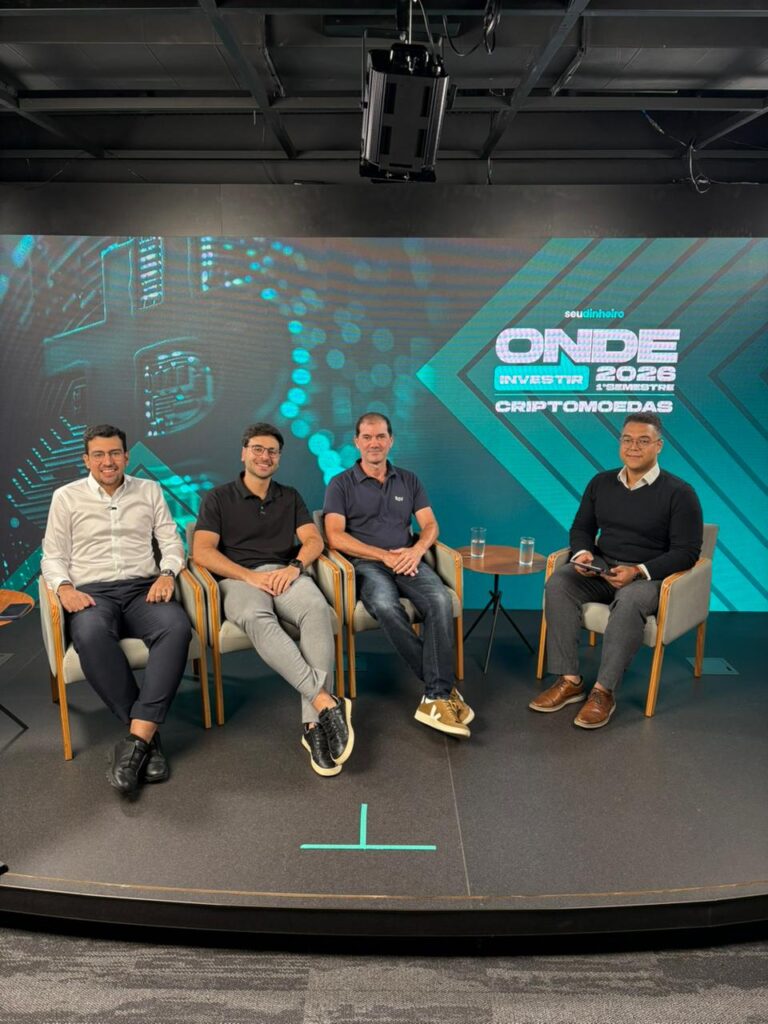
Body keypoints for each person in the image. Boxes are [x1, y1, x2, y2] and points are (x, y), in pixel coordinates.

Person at [192, 423, 353, 777]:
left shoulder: (289, 496)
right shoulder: (218, 498)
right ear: (244, 453)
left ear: (279, 458)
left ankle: (313, 725)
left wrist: (295, 568)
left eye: (272, 452)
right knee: (255, 616)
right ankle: (326, 702)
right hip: (239, 579)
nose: (265, 457)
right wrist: (249, 577)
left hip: (284, 573)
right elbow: (202, 551)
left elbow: (313, 541)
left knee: (316, 609)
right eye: (258, 449)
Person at [41, 424, 191, 793]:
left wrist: (167, 574)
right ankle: (147, 738)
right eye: (99, 454)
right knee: (90, 635)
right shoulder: (66, 497)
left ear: (126, 456)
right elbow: (53, 555)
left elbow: (171, 541)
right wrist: (63, 587)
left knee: (176, 627)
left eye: (114, 453)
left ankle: (136, 740)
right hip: (93, 594)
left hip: (143, 589)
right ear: (86, 460)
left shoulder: (149, 490)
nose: (107, 461)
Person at [530, 412, 703, 728]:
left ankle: (603, 692)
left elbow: (687, 553)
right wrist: (583, 553)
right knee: (559, 583)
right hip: (603, 568)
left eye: (643, 440)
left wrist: (637, 571)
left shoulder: (680, 493)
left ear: (659, 446)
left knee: (630, 601)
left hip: (651, 577)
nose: (633, 447)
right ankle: (570, 680)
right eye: (627, 439)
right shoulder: (601, 482)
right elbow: (582, 528)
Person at [323, 412, 472, 738]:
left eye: (380, 436)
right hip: (367, 564)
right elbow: (334, 536)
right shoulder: (340, 484)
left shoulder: (409, 480)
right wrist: (382, 556)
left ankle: (435, 696)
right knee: (385, 606)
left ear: (391, 440)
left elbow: (430, 525)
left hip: (407, 559)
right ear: (357, 442)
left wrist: (416, 551)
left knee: (439, 600)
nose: (374, 443)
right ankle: (441, 688)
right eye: (367, 437)